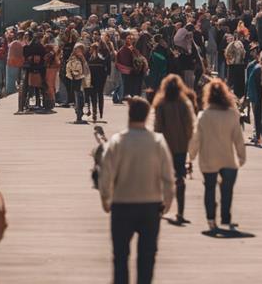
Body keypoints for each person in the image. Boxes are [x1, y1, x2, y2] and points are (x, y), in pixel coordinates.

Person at [98, 97, 175, 284]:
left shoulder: (117, 141)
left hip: (122, 204)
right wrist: (167, 203)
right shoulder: (157, 142)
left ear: (129, 114)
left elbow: (105, 176)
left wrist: (106, 200)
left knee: (120, 256)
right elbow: (167, 177)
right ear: (148, 115)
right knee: (147, 257)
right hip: (150, 205)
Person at [189, 79, 247, 231]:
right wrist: (241, 157)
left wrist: (191, 156)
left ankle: (210, 219)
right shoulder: (232, 114)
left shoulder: (203, 116)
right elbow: (238, 139)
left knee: (209, 189)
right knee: (227, 190)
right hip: (228, 158)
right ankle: (226, 217)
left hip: (208, 158)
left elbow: (196, 138)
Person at [151, 75, 196, 224]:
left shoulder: (161, 104)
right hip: (180, 146)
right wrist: (188, 141)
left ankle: (160, 207)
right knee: (180, 177)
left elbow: (157, 127)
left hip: (165, 147)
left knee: (162, 177)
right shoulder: (184, 103)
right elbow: (189, 125)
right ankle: (180, 212)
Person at [65, 42, 91, 123]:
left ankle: (81, 113)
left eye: (80, 49)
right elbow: (68, 68)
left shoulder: (84, 58)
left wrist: (83, 59)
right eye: (77, 49)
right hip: (75, 81)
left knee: (82, 98)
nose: (79, 51)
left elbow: (86, 69)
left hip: (82, 81)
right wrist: (72, 74)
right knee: (76, 98)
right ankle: (78, 115)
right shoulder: (72, 58)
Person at [116, 34, 146, 99]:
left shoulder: (134, 48)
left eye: (132, 39)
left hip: (132, 70)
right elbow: (119, 57)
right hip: (125, 69)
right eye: (129, 38)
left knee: (128, 84)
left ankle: (123, 96)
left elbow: (138, 57)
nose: (130, 40)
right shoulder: (123, 48)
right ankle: (118, 97)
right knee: (123, 84)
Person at [87, 42, 110, 122]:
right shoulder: (100, 58)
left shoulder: (92, 59)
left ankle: (95, 113)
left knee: (94, 96)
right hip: (99, 79)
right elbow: (105, 70)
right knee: (99, 95)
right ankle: (98, 113)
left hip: (94, 79)